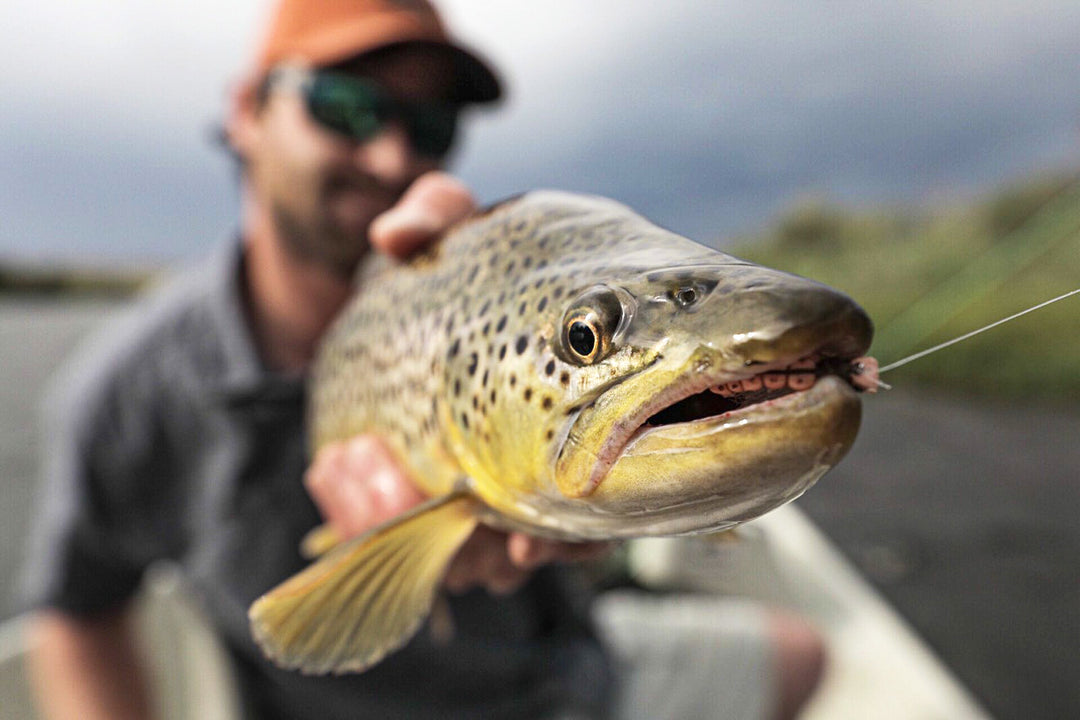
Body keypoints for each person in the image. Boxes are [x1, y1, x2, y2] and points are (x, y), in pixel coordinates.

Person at [20, 1, 824, 719]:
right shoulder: (125, 396)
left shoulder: (483, 286)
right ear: (245, 112)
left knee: (807, 655)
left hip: (569, 684)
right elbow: (76, 612)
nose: (392, 157)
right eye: (345, 106)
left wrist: (604, 515)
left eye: (431, 129)